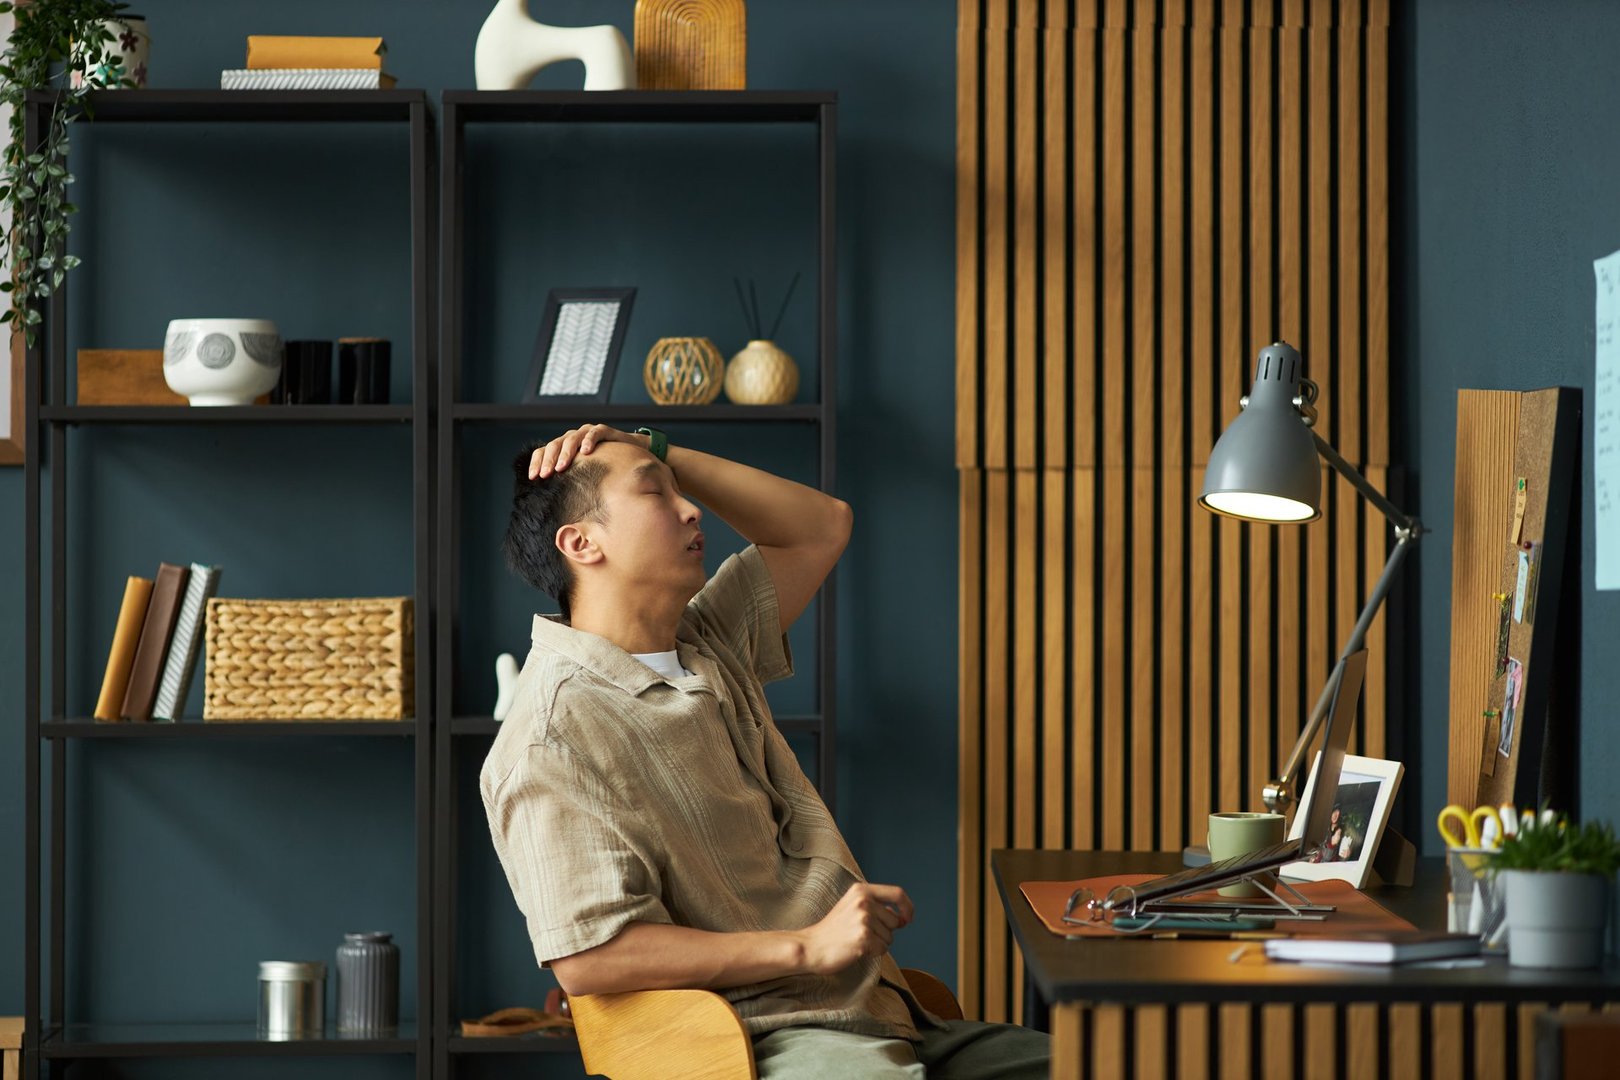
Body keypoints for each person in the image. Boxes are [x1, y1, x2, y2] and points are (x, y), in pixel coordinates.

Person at [484, 424, 1050, 1079]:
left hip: (887, 1019)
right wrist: (807, 948)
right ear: (581, 542)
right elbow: (589, 959)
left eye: (679, 492)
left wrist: (655, 451)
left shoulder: (708, 643)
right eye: (655, 495)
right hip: (757, 1045)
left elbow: (821, 526)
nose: (691, 508)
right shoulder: (551, 734)